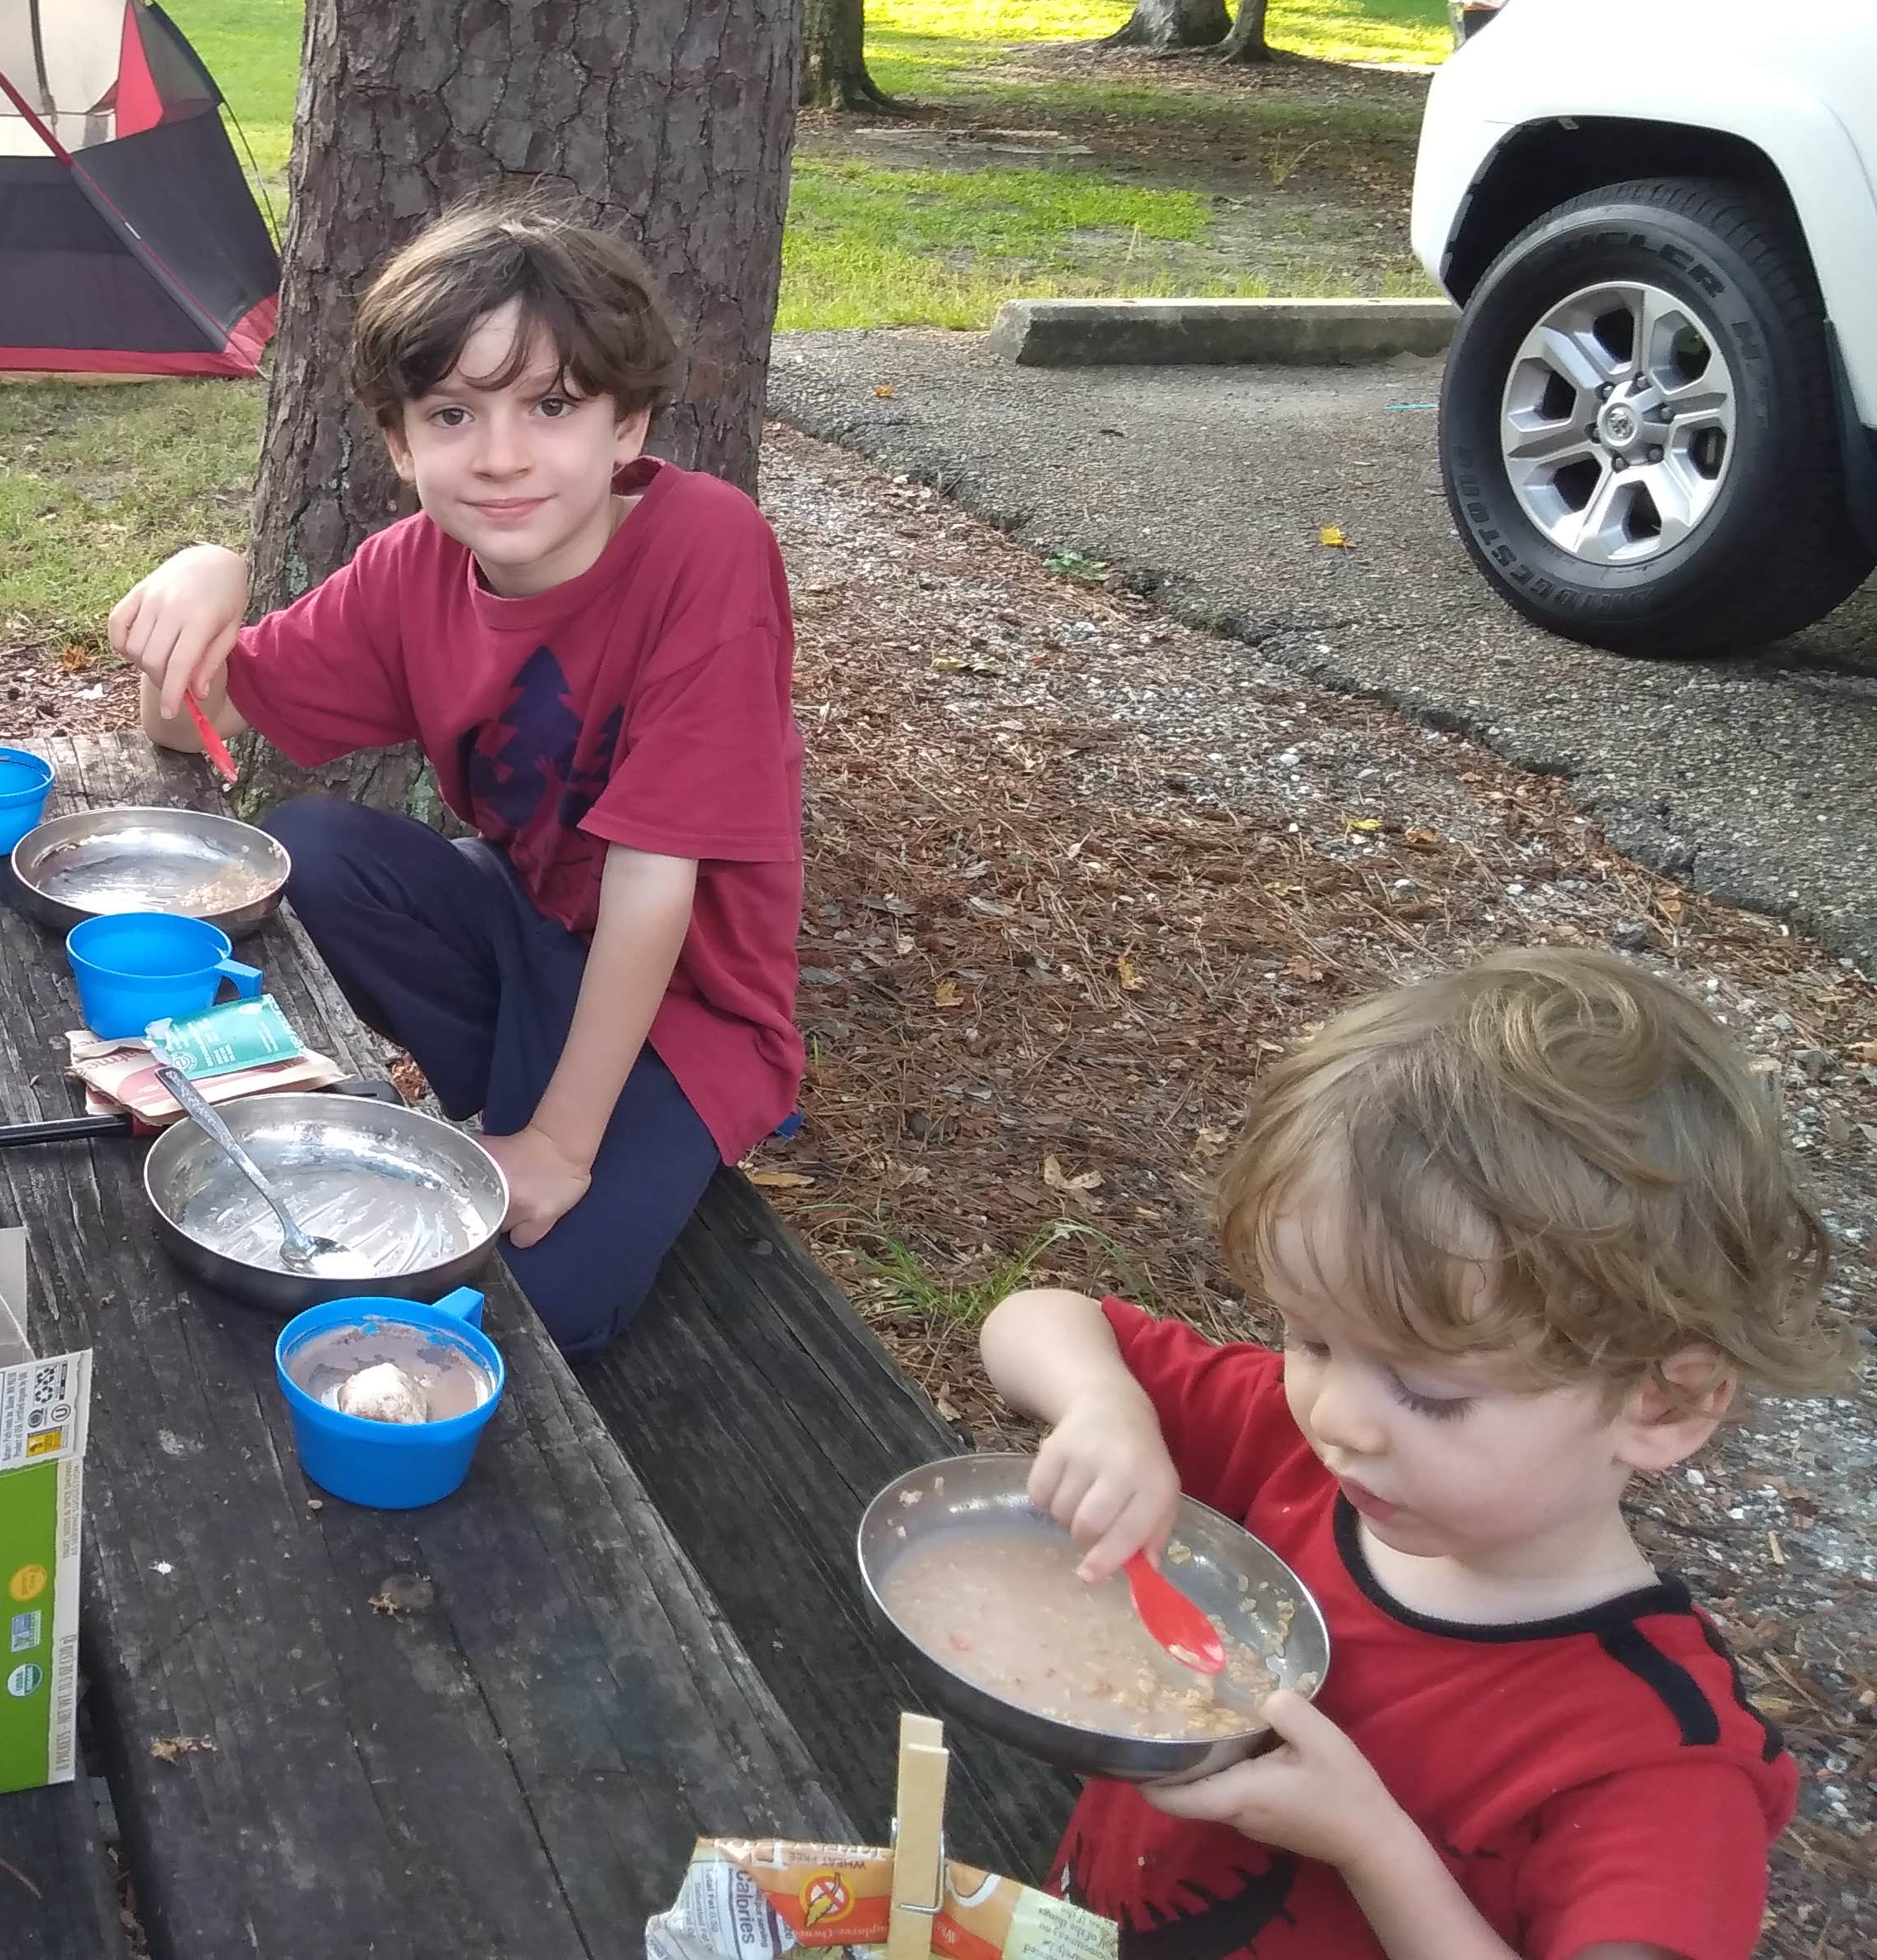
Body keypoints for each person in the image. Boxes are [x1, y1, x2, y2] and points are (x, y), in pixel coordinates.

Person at [980, 949, 1851, 1960]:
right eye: (1309, 1339)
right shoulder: (1298, 1452)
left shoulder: (1653, 1759)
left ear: (1661, 1404)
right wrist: (1101, 1407)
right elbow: (1035, 1317)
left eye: (1428, 1393)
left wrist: (1372, 1846)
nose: (1337, 1413)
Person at [105, 193, 802, 1354]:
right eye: (451, 413)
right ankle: (515, 1099)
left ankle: (574, 1125)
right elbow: (196, 729)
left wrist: (559, 1150)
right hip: (529, 933)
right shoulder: (412, 569)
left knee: (543, 1313)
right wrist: (202, 573)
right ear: (399, 441)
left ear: (628, 425)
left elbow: (653, 883)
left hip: (691, 1005)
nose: (502, 455)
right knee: (319, 849)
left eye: (554, 405)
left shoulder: (706, 548)